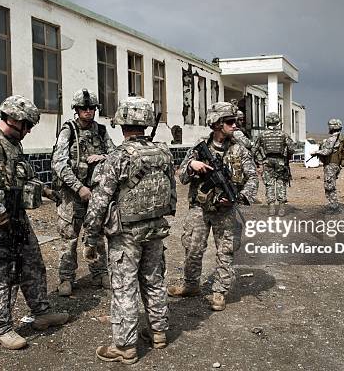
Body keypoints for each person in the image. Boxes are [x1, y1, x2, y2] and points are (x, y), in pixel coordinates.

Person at [0, 95, 68, 350]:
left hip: (16, 215)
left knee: (32, 262)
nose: (29, 131)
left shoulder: (13, 145)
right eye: (27, 125)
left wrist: (47, 192)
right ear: (13, 119)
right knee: (5, 272)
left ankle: (41, 312)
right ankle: (1, 328)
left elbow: (20, 178)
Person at [82, 96, 176, 364]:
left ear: (121, 122)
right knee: (154, 279)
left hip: (127, 233)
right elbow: (171, 194)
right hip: (156, 228)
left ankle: (125, 347)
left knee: (124, 287)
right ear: (146, 123)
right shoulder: (164, 152)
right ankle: (158, 332)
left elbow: (100, 201)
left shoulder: (118, 157)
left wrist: (90, 236)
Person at [168, 102, 258, 311]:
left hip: (225, 211)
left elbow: (252, 177)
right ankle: (191, 285)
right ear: (217, 124)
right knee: (193, 248)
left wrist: (241, 197)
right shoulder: (200, 148)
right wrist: (192, 165)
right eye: (230, 122)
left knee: (225, 252)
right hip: (199, 209)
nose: (235, 125)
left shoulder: (239, 150)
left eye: (236, 121)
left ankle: (219, 292)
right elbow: (181, 177)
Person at [51, 88, 115, 296]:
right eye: (83, 108)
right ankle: (66, 278)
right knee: (68, 237)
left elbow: (116, 156)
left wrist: (102, 157)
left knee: (95, 234)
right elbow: (58, 163)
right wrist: (79, 187)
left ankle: (100, 273)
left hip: (95, 193)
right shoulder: (68, 130)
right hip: (72, 193)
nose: (88, 111)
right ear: (76, 110)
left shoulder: (102, 131)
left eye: (91, 108)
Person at [253, 112, 295, 205]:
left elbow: (254, 150)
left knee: (269, 183)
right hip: (281, 161)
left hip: (267, 161)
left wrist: (258, 161)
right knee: (280, 182)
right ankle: (281, 207)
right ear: (278, 122)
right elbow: (291, 149)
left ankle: (271, 206)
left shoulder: (262, 135)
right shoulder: (283, 134)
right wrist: (287, 156)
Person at [311, 118, 344, 214]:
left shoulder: (332, 139)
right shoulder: (339, 138)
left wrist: (316, 152)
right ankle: (333, 205)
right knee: (331, 185)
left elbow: (327, 151)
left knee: (329, 186)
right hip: (335, 165)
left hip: (331, 165)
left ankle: (334, 207)